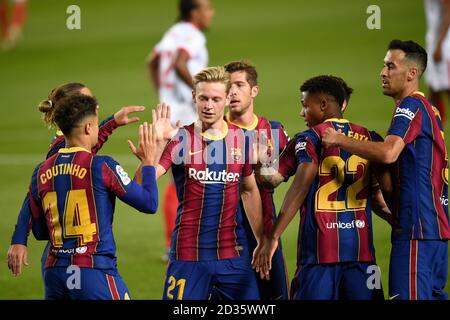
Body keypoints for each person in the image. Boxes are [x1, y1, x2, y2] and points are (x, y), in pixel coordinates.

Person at [322, 39, 450, 300]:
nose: (382, 73)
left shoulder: (410, 106)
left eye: (390, 66)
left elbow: (389, 152)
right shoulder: (432, 110)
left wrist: (339, 139)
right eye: (383, 65)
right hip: (433, 230)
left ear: (411, 74)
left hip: (418, 230)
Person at [258, 75, 389, 300]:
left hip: (318, 257)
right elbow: (379, 196)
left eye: (304, 106)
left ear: (323, 105)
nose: (302, 113)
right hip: (362, 256)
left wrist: (273, 236)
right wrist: (398, 223)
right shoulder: (370, 139)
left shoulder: (308, 139)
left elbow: (279, 181)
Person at [27, 94, 163, 300]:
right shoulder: (101, 166)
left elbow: (39, 231)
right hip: (93, 272)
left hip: (54, 273)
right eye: (98, 124)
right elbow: (149, 203)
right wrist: (149, 163)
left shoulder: (40, 171)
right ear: (89, 127)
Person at [7, 82, 145, 277]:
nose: (95, 105)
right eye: (88, 101)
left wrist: (112, 121)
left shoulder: (67, 141)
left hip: (64, 251)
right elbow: (34, 194)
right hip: (74, 255)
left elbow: (90, 144)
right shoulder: (61, 148)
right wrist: (19, 239)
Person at [152, 66, 266, 300]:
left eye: (216, 99)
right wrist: (152, 152)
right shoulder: (180, 140)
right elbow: (145, 183)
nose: (209, 105)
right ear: (194, 96)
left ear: (226, 99)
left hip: (234, 256)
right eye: (203, 98)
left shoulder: (242, 140)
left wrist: (263, 239)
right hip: (188, 255)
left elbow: (249, 190)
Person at [147, 0, 215, 261]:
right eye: (207, 8)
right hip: (187, 117)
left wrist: (164, 95)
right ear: (194, 12)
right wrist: (203, 94)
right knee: (196, 178)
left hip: (170, 114)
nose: (211, 13)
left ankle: (175, 244)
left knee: (177, 179)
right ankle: (182, 244)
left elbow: (152, 62)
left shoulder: (172, 33)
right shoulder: (192, 35)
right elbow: (179, 62)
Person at [223, 60, 290, 300]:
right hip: (223, 234)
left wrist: (262, 162)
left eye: (239, 85)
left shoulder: (273, 132)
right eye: (227, 86)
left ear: (254, 91)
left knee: (275, 297)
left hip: (264, 228)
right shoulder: (211, 132)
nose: (231, 92)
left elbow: (275, 179)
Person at [424, 0, 450, 122]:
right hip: (435, 42)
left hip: (444, 45)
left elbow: (448, 9)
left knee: (445, 89)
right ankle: (432, 135)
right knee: (434, 89)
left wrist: (440, 44)